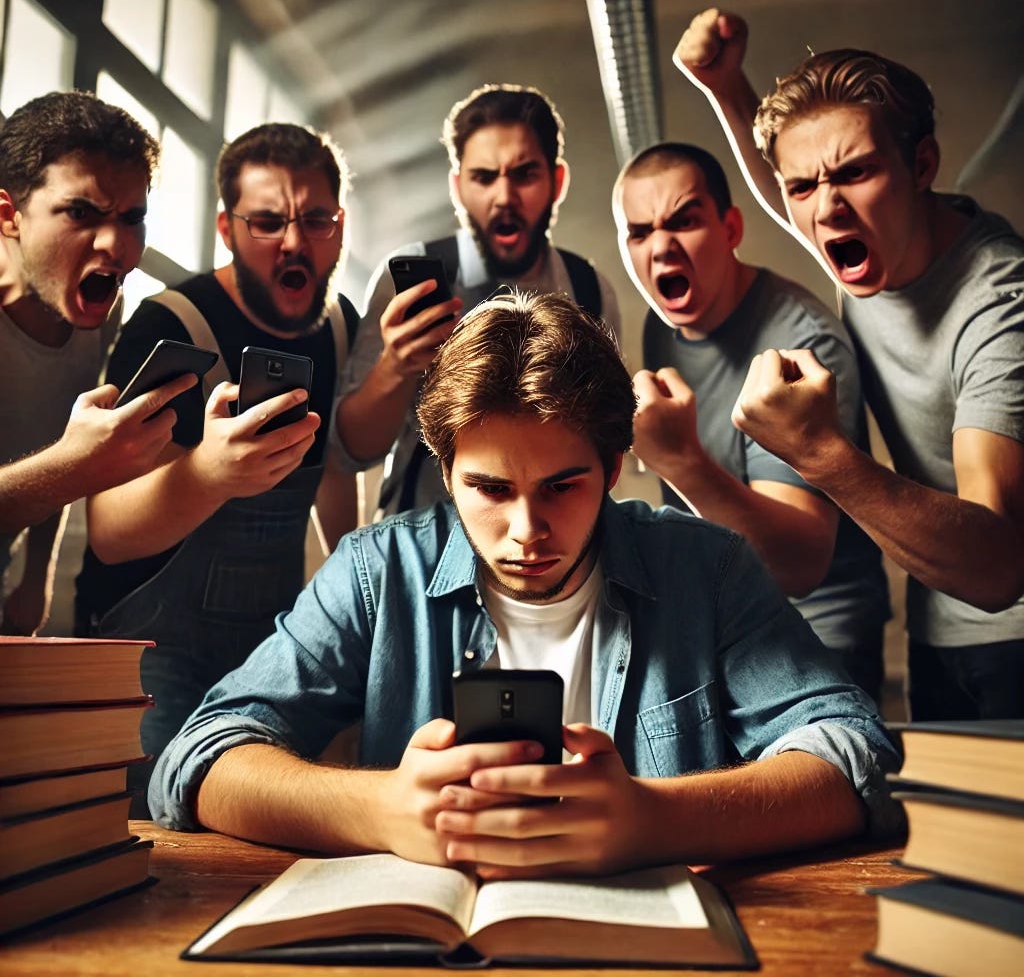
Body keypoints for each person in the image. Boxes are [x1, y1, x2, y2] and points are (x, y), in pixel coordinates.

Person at [151, 291, 900, 878]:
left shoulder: (707, 569)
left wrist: (652, 820)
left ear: (612, 469)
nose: (526, 530)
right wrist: (384, 808)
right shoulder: (377, 570)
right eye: (489, 489)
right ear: (445, 474)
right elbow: (200, 757)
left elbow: (852, 755)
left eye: (563, 486)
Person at [676, 8, 1024, 720]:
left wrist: (817, 452)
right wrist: (724, 86)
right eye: (804, 189)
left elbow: (999, 570)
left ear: (921, 165)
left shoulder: (1002, 304)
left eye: (855, 173)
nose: (826, 210)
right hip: (939, 638)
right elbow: (795, 182)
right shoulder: (869, 232)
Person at [75, 123, 361, 809]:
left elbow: (331, 467)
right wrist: (208, 473)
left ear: (340, 228)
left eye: (315, 219)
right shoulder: (172, 323)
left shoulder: (341, 326)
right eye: (266, 222)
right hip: (149, 647)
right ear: (227, 229)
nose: (294, 242)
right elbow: (109, 530)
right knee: (163, 824)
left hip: (268, 638)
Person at [614, 141, 890, 703]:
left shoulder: (800, 342)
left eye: (684, 221)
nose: (662, 247)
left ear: (731, 227)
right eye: (639, 233)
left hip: (817, 635)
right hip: (725, 618)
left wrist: (679, 461)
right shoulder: (661, 326)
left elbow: (799, 565)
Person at [335, 83, 623, 517]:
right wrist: (394, 369)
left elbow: (606, 441)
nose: (504, 198)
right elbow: (351, 451)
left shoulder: (588, 288)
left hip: (547, 544)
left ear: (556, 181)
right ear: (457, 188)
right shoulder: (408, 275)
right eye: (484, 177)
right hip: (423, 544)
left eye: (524, 174)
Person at [0, 90, 193, 636]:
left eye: (133, 217)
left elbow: (59, 442)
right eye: (81, 212)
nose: (115, 242)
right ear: (9, 217)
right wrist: (77, 467)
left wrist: (37, 576)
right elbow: (66, 460)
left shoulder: (103, 310)